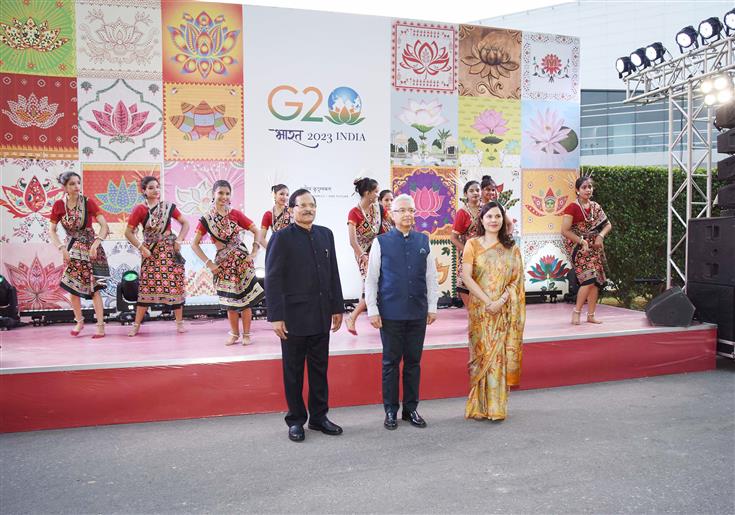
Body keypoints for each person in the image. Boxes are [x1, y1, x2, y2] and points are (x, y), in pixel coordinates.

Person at [265, 189, 345, 442]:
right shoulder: (281, 238)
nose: (308, 209)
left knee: (320, 370)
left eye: (312, 205)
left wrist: (337, 307)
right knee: (294, 372)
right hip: (293, 319)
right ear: (291, 210)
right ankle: (296, 420)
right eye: (303, 205)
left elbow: (333, 273)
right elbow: (273, 279)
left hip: (321, 315)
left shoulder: (325, 235)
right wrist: (276, 316)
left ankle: (319, 418)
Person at [365, 193, 439, 430]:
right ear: (392, 215)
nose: (408, 215)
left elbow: (431, 277)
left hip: (417, 312)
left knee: (413, 363)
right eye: (402, 211)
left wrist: (432, 306)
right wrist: (373, 310)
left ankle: (411, 409)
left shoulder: (423, 241)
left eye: (411, 210)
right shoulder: (381, 242)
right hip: (390, 313)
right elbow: (371, 279)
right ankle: (390, 411)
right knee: (390, 363)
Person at [461, 201, 525, 421]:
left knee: (498, 356)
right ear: (481, 220)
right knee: (481, 356)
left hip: (503, 310)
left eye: (498, 216)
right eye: (489, 216)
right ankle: (479, 406)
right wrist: (488, 301)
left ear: (503, 219)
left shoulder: (511, 248)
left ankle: (496, 407)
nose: (494, 220)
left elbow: (516, 281)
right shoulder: (472, 245)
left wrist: (501, 300)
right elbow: (466, 277)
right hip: (480, 310)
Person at [191, 180, 265, 345]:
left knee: (246, 300)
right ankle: (234, 334)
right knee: (230, 301)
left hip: (242, 261)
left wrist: (254, 251)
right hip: (223, 264)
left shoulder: (235, 214)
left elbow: (256, 231)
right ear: (213, 195)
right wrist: (209, 263)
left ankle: (246, 334)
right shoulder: (206, 219)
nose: (224, 197)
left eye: (227, 193)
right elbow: (194, 244)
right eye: (220, 193)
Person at [124, 176, 189, 336]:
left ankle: (179, 323)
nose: (155, 190)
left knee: (174, 286)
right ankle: (136, 325)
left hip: (169, 251)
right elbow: (128, 232)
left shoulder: (168, 207)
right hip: (150, 252)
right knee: (146, 287)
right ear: (144, 191)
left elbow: (185, 224)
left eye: (157, 187)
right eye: (151, 187)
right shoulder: (140, 209)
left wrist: (179, 240)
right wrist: (141, 247)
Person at [49, 171, 111, 339]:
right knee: (72, 288)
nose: (76, 187)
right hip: (71, 249)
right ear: (64, 187)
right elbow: (52, 231)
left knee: (95, 289)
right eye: (72, 184)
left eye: (78, 183)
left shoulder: (88, 202)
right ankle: (79, 321)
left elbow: (104, 226)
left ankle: (100, 325)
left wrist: (96, 244)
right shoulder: (58, 206)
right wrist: (62, 248)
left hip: (91, 247)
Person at [561, 176, 612, 325]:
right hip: (578, 247)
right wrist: (582, 241)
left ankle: (591, 315)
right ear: (577, 190)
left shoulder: (595, 206)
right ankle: (576, 312)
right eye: (584, 187)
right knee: (588, 279)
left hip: (594, 247)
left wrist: (600, 236)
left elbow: (608, 225)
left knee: (594, 282)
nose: (588, 190)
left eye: (590, 187)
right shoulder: (572, 207)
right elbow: (565, 230)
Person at [345, 177, 389, 335]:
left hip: (379, 250)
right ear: (367, 193)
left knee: (379, 284)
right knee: (370, 285)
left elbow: (390, 223)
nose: (378, 195)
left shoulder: (378, 208)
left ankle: (359, 317)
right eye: (376, 192)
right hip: (362, 252)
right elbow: (352, 241)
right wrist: (363, 257)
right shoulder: (354, 212)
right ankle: (352, 317)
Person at [450, 180, 482, 307]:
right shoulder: (462, 213)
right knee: (464, 284)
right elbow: (453, 238)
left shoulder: (487, 210)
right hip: (469, 253)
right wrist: (467, 251)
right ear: (465, 194)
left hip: (486, 253)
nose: (475, 193)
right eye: (471, 190)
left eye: (477, 190)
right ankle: (471, 314)